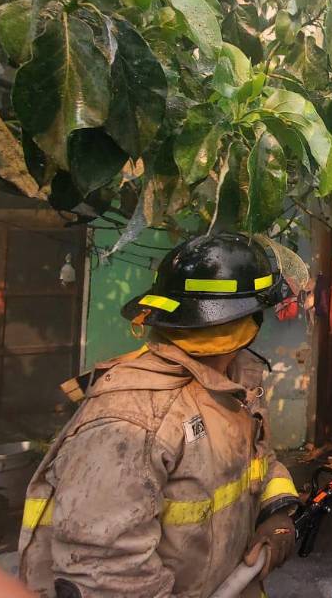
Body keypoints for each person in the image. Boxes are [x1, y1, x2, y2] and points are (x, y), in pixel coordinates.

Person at [18, 233, 300, 598]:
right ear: (248, 322)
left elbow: (260, 459)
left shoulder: (232, 385)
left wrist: (277, 512)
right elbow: (105, 574)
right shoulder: (132, 421)